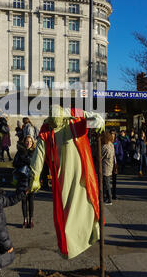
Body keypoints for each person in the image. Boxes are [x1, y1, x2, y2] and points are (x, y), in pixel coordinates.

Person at [28, 105, 104, 259]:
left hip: (82, 172)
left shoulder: (76, 118)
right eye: (53, 124)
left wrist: (99, 123)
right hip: (62, 175)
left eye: (58, 123)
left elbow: (96, 119)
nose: (56, 126)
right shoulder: (46, 129)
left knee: (87, 204)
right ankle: (71, 245)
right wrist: (35, 176)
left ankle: (92, 232)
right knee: (67, 211)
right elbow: (39, 154)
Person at [13, 135, 36, 228]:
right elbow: (14, 163)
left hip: (31, 179)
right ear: (24, 142)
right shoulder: (19, 152)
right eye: (27, 141)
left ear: (32, 143)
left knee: (31, 200)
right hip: (22, 179)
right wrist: (24, 162)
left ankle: (31, 219)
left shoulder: (35, 152)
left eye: (30, 141)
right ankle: (25, 220)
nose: (28, 143)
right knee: (23, 200)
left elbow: (37, 164)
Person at [101, 131, 116, 205]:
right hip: (110, 165)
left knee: (106, 183)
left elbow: (100, 156)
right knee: (107, 183)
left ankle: (109, 199)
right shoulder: (111, 145)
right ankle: (107, 197)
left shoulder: (105, 146)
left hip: (105, 167)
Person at [109, 129, 123, 200]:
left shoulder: (118, 142)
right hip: (108, 163)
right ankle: (108, 194)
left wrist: (119, 160)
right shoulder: (107, 142)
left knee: (114, 180)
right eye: (111, 133)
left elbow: (121, 153)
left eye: (113, 134)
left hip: (115, 163)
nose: (112, 135)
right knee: (107, 180)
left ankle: (114, 194)